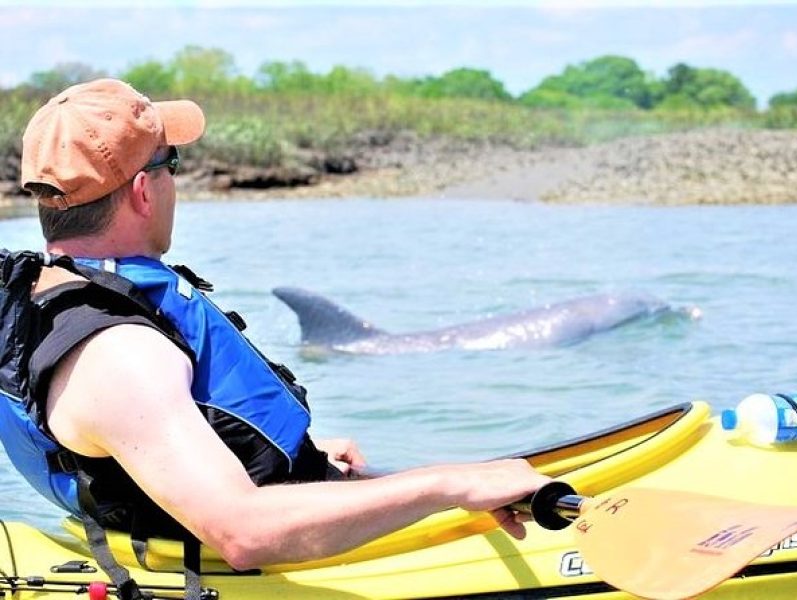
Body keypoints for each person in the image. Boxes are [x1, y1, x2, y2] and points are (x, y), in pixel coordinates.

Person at [1, 78, 550, 576]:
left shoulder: (50, 293)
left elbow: (136, 441)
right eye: (173, 164)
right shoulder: (115, 352)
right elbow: (244, 531)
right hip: (241, 557)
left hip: (204, 510)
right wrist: (452, 483)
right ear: (145, 190)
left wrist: (273, 453)